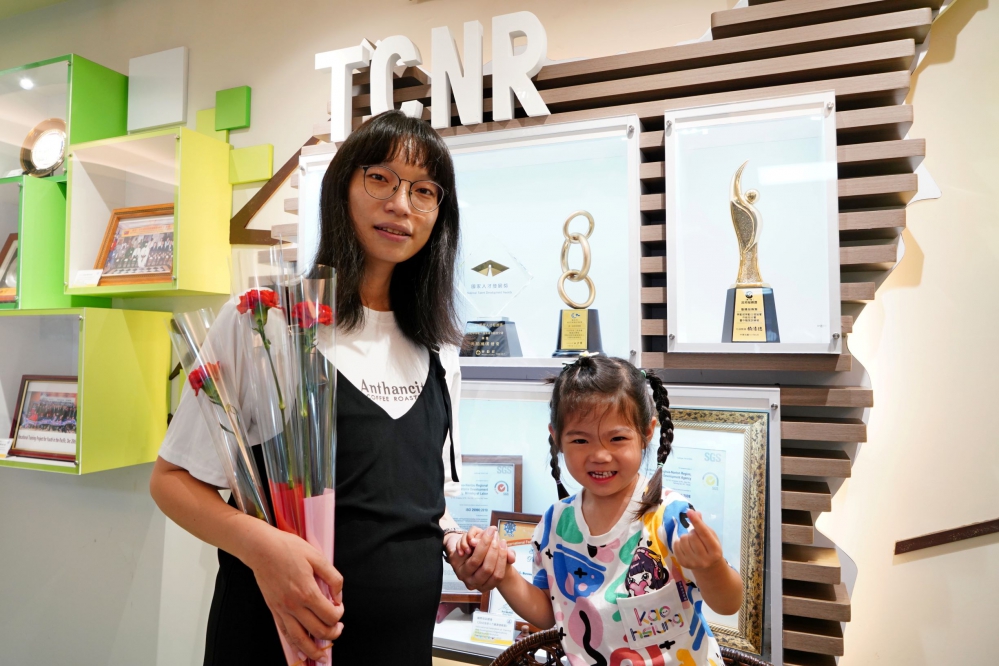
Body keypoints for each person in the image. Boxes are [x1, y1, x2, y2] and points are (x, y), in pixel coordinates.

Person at [150, 110, 512, 666]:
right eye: (381, 178)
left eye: (423, 191)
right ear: (341, 188)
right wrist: (262, 548)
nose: (401, 205)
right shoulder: (265, 322)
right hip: (278, 642)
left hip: (401, 648)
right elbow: (172, 481)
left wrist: (458, 544)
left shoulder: (440, 348)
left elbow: (421, 505)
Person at [455, 355, 743, 665]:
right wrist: (501, 573)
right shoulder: (555, 523)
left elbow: (728, 604)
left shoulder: (670, 516)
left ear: (647, 433)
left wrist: (711, 567)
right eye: (581, 440)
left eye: (617, 438)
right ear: (557, 438)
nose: (600, 455)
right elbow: (548, 612)